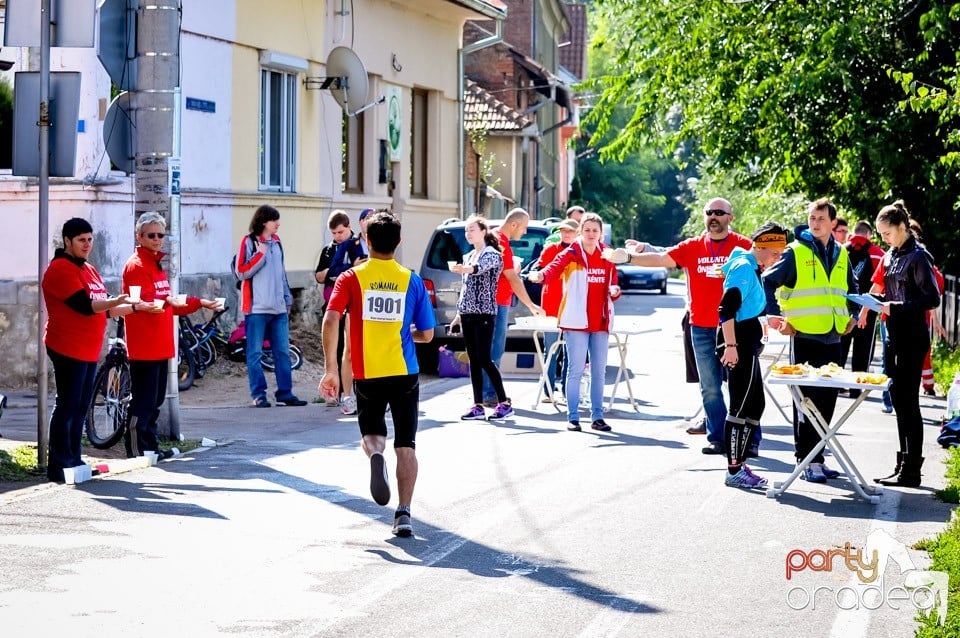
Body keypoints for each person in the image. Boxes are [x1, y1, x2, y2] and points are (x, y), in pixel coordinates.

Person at [319, 212, 435, 537]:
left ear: (366, 241)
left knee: (372, 435)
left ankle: (375, 455)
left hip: (367, 373)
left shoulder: (351, 278)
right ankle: (404, 513)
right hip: (404, 372)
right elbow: (427, 333)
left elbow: (330, 320)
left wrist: (331, 370)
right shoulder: (411, 280)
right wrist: (407, 331)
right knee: (407, 445)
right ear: (398, 242)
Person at [613, 198, 754, 455]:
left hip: (736, 327)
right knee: (709, 387)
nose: (713, 216)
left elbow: (765, 266)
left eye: (719, 213)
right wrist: (630, 257)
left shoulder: (743, 245)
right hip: (700, 326)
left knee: (742, 385)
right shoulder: (692, 246)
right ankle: (719, 438)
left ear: (730, 218)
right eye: (709, 212)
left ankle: (749, 440)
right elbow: (661, 259)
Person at [762, 198, 858, 483]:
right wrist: (773, 316)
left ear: (833, 223)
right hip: (803, 336)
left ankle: (818, 455)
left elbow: (852, 289)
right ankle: (806, 460)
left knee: (828, 399)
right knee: (805, 402)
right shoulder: (795, 252)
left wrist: (852, 314)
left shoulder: (841, 253)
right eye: (812, 218)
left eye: (821, 219)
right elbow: (768, 281)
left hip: (833, 337)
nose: (815, 223)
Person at [41, 218, 135, 482]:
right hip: (67, 346)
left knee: (81, 406)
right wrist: (112, 301)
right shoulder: (60, 269)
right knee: (68, 405)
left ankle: (74, 459)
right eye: (81, 240)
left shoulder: (89, 270)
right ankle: (59, 464)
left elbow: (106, 309)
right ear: (67, 241)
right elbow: (84, 306)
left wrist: (136, 306)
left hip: (88, 349)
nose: (87, 244)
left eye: (90, 239)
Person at [122, 212, 222, 457]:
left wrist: (201, 303)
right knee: (143, 402)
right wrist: (175, 301)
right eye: (151, 235)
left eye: (160, 235)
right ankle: (136, 450)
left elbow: (169, 301)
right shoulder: (136, 265)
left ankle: (150, 448)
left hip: (160, 343)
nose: (157, 239)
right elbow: (149, 301)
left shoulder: (155, 265)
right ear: (140, 237)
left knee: (154, 401)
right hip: (145, 344)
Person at [868, 201, 941, 487]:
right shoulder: (891, 255)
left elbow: (932, 298)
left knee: (909, 401)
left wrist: (896, 306)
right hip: (894, 334)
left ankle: (912, 469)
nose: (883, 239)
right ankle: (902, 463)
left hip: (913, 335)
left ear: (901, 227)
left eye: (886, 233)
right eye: (880, 234)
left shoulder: (919, 256)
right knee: (898, 398)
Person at [529, 212, 621, 431]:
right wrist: (540, 276)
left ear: (600, 233)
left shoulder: (608, 254)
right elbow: (553, 268)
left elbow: (615, 284)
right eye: (587, 230)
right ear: (581, 231)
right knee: (575, 370)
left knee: (599, 372)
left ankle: (597, 417)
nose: (591, 234)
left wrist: (615, 290)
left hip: (601, 320)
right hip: (575, 320)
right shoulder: (572, 253)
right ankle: (573, 417)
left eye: (595, 231)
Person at [717, 222, 788, 489]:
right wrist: (731, 347)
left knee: (755, 404)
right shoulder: (745, 267)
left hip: (747, 343)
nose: (777, 258)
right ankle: (734, 470)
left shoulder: (752, 267)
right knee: (740, 407)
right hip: (737, 345)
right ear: (763, 246)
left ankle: (741, 463)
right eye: (776, 252)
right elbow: (726, 310)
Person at [236, 204, 308, 408]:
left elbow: (280, 273)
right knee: (255, 353)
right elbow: (241, 272)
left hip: (278, 310)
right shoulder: (249, 242)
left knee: (283, 352)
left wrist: (287, 298)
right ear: (263, 222)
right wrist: (260, 254)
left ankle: (285, 393)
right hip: (257, 309)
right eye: (273, 220)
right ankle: (259, 395)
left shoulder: (277, 242)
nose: (277, 223)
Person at [450, 216, 513, 421]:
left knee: (485, 358)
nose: (469, 233)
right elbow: (465, 288)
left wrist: (465, 269)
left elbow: (480, 268)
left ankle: (503, 402)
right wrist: (458, 315)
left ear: (484, 231)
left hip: (484, 312)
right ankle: (477, 404)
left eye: (472, 230)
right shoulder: (468, 255)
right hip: (468, 312)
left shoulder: (492, 254)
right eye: (467, 230)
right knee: (474, 361)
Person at [480, 208, 545, 405]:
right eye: (524, 227)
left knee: (489, 349)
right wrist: (531, 305)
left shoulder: (493, 237)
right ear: (514, 224)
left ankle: (487, 392)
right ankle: (489, 394)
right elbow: (513, 279)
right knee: (495, 350)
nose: (524, 232)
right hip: (497, 301)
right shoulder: (502, 243)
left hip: (492, 301)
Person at [314, 210, 366, 414]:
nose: (337, 237)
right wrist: (345, 269)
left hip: (356, 302)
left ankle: (352, 391)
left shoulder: (356, 244)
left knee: (353, 349)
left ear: (349, 227)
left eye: (341, 232)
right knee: (338, 349)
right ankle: (340, 392)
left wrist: (342, 271)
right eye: (334, 233)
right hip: (335, 303)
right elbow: (320, 275)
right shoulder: (329, 250)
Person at [839, 220, 885, 398]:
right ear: (869, 234)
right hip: (868, 309)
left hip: (844, 308)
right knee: (863, 350)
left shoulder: (841, 250)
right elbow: (881, 283)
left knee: (841, 347)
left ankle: (836, 384)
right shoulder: (877, 254)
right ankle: (856, 389)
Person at [536, 217, 579, 398]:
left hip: (574, 306)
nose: (566, 234)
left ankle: (567, 390)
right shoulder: (551, 249)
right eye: (563, 231)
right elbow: (540, 271)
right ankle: (548, 389)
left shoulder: (581, 252)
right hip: (551, 305)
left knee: (572, 349)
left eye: (570, 231)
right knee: (551, 348)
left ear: (577, 233)